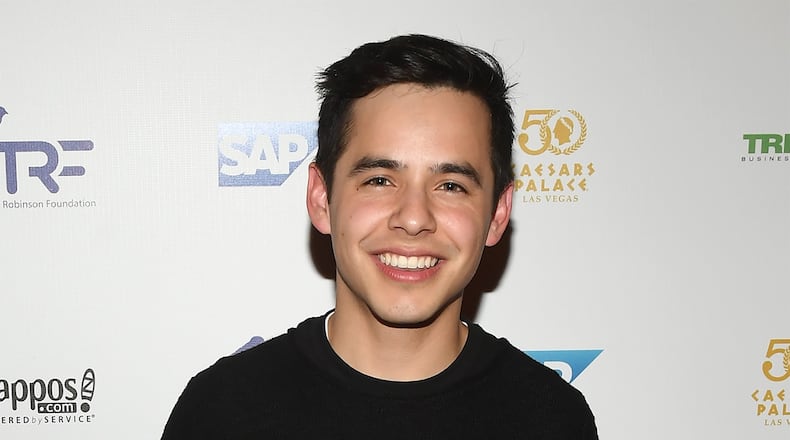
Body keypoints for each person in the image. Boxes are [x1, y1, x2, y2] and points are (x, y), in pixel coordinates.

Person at [161, 34, 598, 439]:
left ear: (498, 213)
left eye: (451, 186)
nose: (414, 218)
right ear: (321, 198)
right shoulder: (221, 412)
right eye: (379, 180)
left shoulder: (551, 419)